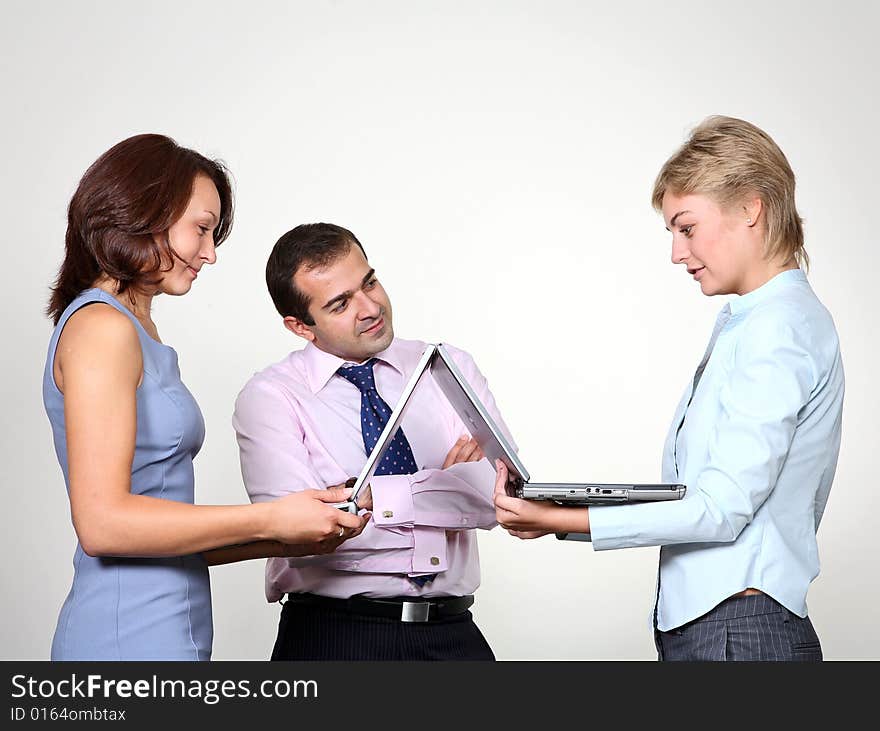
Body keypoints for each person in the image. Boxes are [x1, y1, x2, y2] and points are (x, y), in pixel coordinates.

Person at [492, 116, 844, 661]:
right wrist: (568, 512)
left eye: (687, 228)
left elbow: (720, 509)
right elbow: (703, 495)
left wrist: (563, 519)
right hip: (724, 627)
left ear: (750, 208)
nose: (677, 254)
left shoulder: (779, 327)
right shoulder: (752, 320)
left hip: (740, 632)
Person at [44, 135, 367, 661]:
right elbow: (104, 524)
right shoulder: (102, 328)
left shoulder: (135, 331)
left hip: (169, 634)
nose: (210, 253)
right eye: (202, 229)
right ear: (142, 210)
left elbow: (161, 532)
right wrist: (269, 519)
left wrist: (295, 532)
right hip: (124, 642)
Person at [232, 222, 513, 660]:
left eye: (370, 282)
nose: (370, 307)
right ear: (300, 326)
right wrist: (444, 480)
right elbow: (303, 536)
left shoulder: (447, 366)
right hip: (331, 639)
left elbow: (501, 498)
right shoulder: (271, 397)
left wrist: (366, 498)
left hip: (454, 635)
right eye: (341, 304)